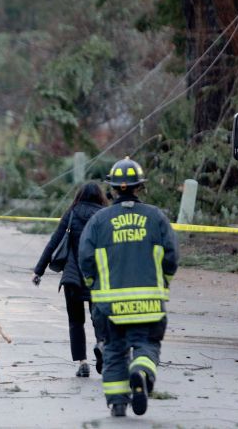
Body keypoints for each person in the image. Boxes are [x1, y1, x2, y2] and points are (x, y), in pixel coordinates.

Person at [78, 157, 178, 418]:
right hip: (149, 304)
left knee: (113, 351)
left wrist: (94, 287)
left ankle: (118, 403)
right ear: (139, 187)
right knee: (146, 345)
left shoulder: (99, 221)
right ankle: (142, 372)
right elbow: (171, 257)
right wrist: (162, 283)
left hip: (110, 307)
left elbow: (85, 259)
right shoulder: (156, 218)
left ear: (111, 189)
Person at [31, 182, 108, 377]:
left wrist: (38, 270)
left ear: (80, 195)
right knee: (98, 317)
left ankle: (82, 362)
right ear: (99, 196)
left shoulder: (72, 213)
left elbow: (54, 242)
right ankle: (102, 345)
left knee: (76, 321)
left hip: (72, 276)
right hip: (97, 276)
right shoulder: (104, 215)